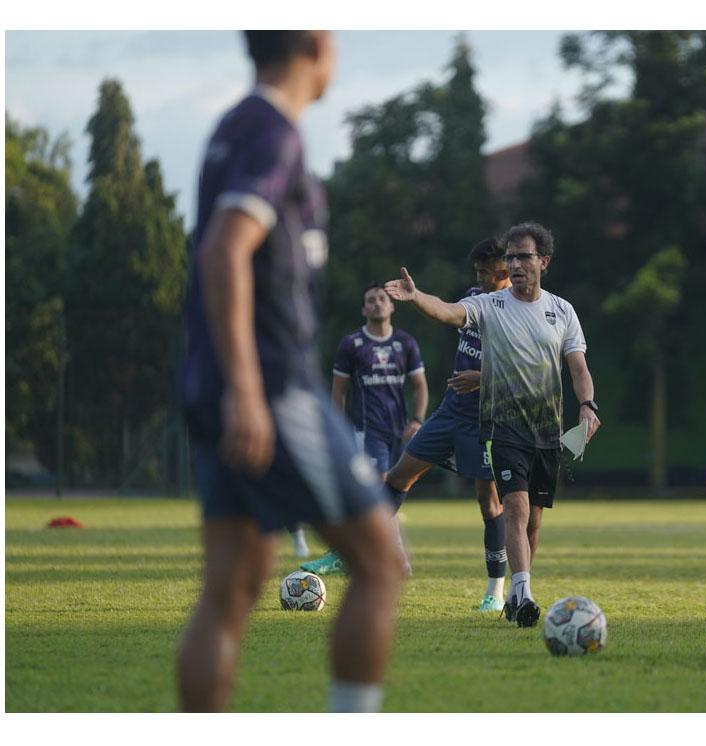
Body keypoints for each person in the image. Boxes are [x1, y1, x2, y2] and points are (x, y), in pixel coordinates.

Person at [176, 30, 403, 713]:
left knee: (232, 588)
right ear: (313, 43)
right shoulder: (274, 133)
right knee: (379, 565)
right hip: (270, 389)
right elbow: (223, 251)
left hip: (216, 386)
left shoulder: (233, 126)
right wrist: (249, 390)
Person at [384, 221, 601, 628]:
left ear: (544, 262)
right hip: (502, 427)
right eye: (512, 257)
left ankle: (515, 592)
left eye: (524, 257)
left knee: (533, 519)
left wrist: (587, 404)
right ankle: (523, 595)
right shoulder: (490, 306)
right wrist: (417, 297)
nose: (516, 264)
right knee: (514, 508)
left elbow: (578, 367)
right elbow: (450, 313)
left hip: (546, 429)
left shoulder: (562, 310)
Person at [381, 238, 512, 613]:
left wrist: (482, 378)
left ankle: (495, 589)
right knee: (397, 477)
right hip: (450, 413)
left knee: (489, 503)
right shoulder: (475, 296)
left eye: (484, 272)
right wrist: (417, 295)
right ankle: (358, 550)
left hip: (486, 420)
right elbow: (446, 311)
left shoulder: (520, 310)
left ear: (502, 271)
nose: (479, 278)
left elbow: (530, 370)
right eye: (477, 272)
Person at [299, 282, 428, 576]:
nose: (377, 303)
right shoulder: (352, 344)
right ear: (363, 308)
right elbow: (338, 391)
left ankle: (381, 555)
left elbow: (420, 386)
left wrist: (418, 420)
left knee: (388, 490)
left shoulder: (405, 343)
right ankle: (376, 555)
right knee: (378, 488)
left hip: (400, 431)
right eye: (370, 300)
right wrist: (336, 430)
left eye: (382, 299)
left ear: (392, 305)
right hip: (366, 431)